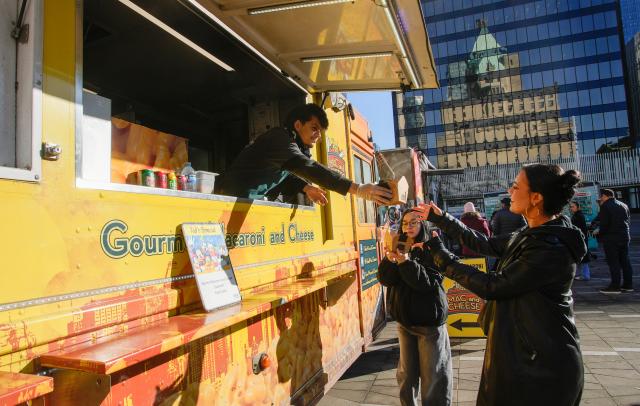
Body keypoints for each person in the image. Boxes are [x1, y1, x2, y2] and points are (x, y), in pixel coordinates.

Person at [416, 164, 586, 406]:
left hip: (539, 364)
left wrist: (442, 258)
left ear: (536, 198)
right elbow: (484, 244)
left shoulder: (550, 246)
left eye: (516, 186)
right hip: (521, 355)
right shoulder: (531, 234)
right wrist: (441, 218)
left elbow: (493, 286)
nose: (510, 189)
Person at [215, 103, 391, 205]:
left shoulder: (290, 146)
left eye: (320, 132)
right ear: (298, 125)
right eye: (314, 128)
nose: (318, 136)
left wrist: (306, 187)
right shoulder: (280, 138)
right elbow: (306, 166)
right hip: (226, 200)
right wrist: (358, 189)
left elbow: (286, 175)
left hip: (239, 203)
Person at [377, 209, 452, 406]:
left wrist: (405, 262)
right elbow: (385, 279)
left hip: (429, 324)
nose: (408, 227)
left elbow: (426, 283)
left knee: (434, 377)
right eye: (405, 223)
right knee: (406, 377)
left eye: (414, 222)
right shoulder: (401, 246)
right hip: (404, 322)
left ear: (423, 224)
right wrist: (390, 260)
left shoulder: (434, 247)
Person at [593, 189, 634, 293]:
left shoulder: (605, 206)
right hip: (624, 236)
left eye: (601, 196)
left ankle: (615, 286)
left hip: (611, 238)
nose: (601, 198)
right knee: (625, 261)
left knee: (613, 262)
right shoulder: (623, 205)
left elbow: (604, 224)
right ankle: (628, 285)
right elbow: (628, 220)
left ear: (605, 196)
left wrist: (598, 233)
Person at [570, 201, 591, 281]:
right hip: (581, 239)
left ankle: (585, 275)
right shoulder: (578, 215)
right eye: (571, 207)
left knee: (582, 258)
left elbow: (576, 228)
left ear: (578, 207)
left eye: (573, 207)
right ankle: (583, 274)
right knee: (582, 257)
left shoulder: (578, 216)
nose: (571, 208)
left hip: (580, 240)